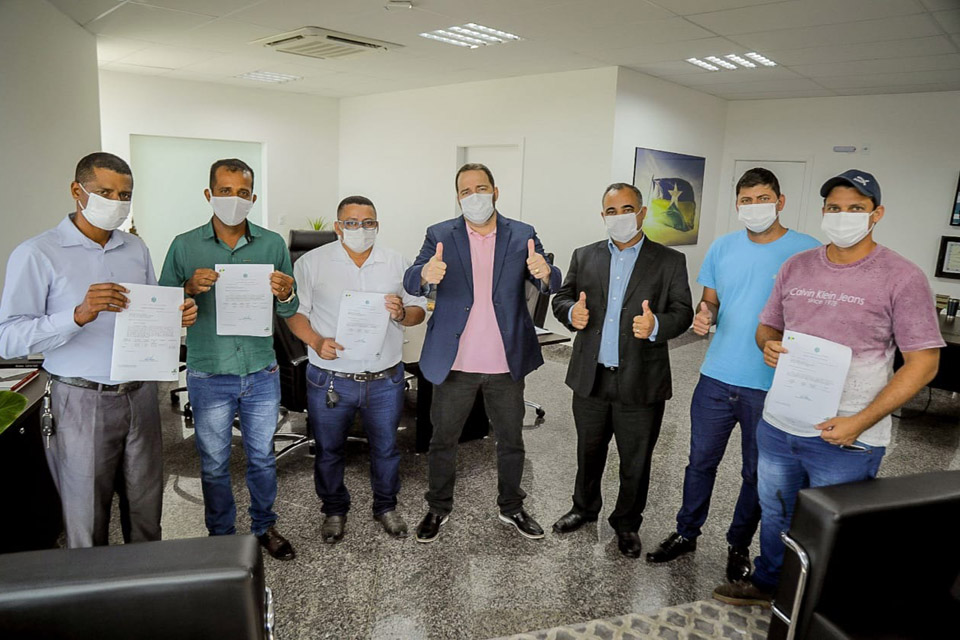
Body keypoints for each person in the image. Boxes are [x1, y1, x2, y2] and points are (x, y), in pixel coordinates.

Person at [713, 170, 943, 606]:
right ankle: (768, 583)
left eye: (855, 208)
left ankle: (817, 604)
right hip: (781, 424)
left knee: (832, 526)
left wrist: (860, 422)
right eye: (834, 208)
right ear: (823, 212)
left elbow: (924, 363)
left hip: (847, 435)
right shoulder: (797, 266)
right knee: (776, 513)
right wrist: (768, 345)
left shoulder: (902, 277)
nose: (843, 216)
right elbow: (768, 326)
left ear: (876, 213)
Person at [0, 152, 197, 548]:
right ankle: (91, 586)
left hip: (141, 394)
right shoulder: (38, 253)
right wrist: (77, 315)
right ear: (78, 191)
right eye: (105, 193)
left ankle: (145, 578)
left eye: (125, 195)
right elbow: (9, 339)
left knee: (146, 508)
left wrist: (176, 314)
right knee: (86, 515)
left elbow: (148, 311)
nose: (117, 202)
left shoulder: (135, 248)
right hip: (81, 398)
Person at [646, 168, 820, 579]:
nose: (754, 207)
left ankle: (738, 544)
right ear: (737, 204)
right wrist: (705, 316)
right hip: (717, 376)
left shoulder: (807, 251)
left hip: (770, 383)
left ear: (780, 201)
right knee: (699, 463)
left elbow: (816, 314)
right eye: (746, 200)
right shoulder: (722, 247)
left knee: (756, 473)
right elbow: (711, 301)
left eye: (763, 199)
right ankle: (686, 533)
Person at [403, 162, 561, 543]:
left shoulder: (522, 233)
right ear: (457, 197)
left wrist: (545, 273)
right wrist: (424, 275)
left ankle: (512, 506)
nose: (473, 196)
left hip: (505, 361)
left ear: (495, 191)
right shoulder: (440, 234)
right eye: (465, 191)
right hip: (455, 361)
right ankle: (438, 507)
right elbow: (411, 278)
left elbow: (551, 280)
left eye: (481, 188)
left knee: (511, 440)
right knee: (443, 440)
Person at [159, 158, 298, 560]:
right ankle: (221, 535)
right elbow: (161, 305)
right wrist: (187, 288)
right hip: (209, 373)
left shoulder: (273, 245)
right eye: (225, 191)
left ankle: (264, 527)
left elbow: (289, 310)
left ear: (252, 198)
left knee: (262, 458)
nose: (234, 199)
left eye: (242, 193)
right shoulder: (184, 245)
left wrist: (286, 293)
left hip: (260, 371)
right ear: (209, 194)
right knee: (214, 463)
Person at [551, 182, 693, 558]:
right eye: (611, 211)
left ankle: (627, 523)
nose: (619, 217)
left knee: (635, 459)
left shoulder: (669, 261)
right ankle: (584, 508)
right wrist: (571, 312)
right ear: (603, 216)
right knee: (588, 451)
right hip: (591, 377)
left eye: (627, 209)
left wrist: (657, 325)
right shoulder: (585, 255)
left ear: (642, 213)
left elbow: (683, 312)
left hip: (641, 379)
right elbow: (562, 297)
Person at [286, 195, 426, 543]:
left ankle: (386, 506)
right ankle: (334, 509)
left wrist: (401, 313)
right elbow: (295, 314)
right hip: (331, 378)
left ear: (377, 225)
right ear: (338, 227)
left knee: (386, 449)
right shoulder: (312, 263)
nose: (360, 229)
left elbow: (418, 311)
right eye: (351, 223)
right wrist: (316, 341)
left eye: (368, 223)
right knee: (328, 450)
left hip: (384, 379)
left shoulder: (397, 263)